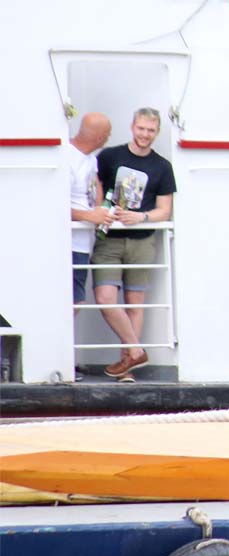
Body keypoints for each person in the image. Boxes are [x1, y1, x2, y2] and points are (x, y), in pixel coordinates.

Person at [94, 108, 175, 383]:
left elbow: (164, 211)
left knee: (134, 302)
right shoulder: (109, 157)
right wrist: (101, 212)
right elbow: (94, 190)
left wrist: (140, 217)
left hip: (142, 240)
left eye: (150, 130)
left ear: (157, 132)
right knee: (105, 298)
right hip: (109, 239)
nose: (145, 135)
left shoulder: (162, 166)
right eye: (141, 128)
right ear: (132, 127)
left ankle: (127, 368)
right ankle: (137, 351)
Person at [66, 113, 113, 381]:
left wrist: (103, 210)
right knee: (71, 301)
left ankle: (65, 354)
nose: (107, 140)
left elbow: (92, 196)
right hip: (69, 243)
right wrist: (89, 217)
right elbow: (52, 202)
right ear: (97, 136)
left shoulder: (90, 160)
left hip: (83, 244)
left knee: (76, 300)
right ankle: (60, 355)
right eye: (106, 135)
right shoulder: (65, 158)